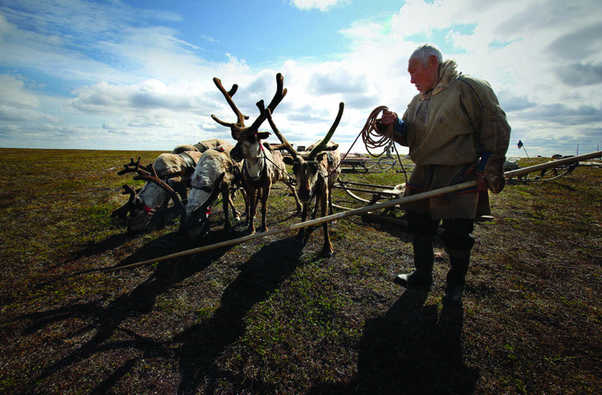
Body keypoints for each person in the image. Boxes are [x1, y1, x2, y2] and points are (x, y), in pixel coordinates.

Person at [378, 44, 510, 304]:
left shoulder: (469, 87)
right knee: (418, 223)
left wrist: (488, 166)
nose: (411, 79)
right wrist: (394, 125)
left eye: (414, 72)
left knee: (457, 233)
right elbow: (409, 136)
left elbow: (495, 125)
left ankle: (455, 286)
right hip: (424, 171)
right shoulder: (418, 101)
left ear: (432, 62)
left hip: (459, 171)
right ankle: (422, 275)